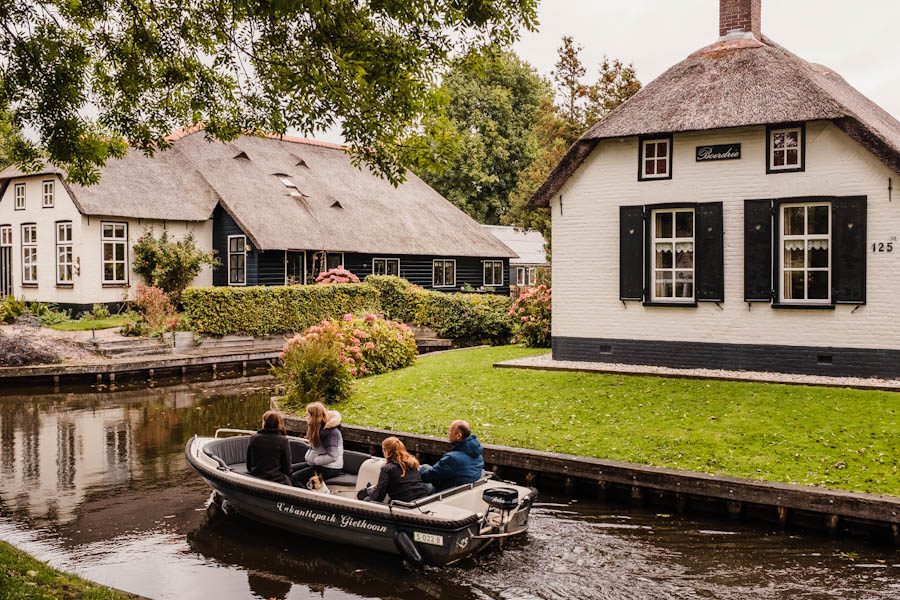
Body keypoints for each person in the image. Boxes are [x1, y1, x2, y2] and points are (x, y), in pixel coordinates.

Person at [420, 420, 484, 492]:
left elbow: (427, 477)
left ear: (458, 436)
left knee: (416, 477)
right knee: (425, 467)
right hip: (462, 488)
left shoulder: (452, 458)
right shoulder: (478, 455)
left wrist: (415, 470)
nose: (448, 434)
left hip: (444, 493)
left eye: (450, 431)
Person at [360, 437, 428, 503]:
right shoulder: (413, 464)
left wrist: (370, 490)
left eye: (383, 450)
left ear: (386, 451)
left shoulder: (387, 469)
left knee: (366, 500)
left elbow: (378, 497)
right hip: (422, 500)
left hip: (404, 505)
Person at [291, 402, 344, 487]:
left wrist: (315, 460)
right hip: (319, 464)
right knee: (288, 469)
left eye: (307, 415)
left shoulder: (330, 432)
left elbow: (333, 456)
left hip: (330, 467)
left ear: (313, 417)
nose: (306, 417)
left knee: (295, 478)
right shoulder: (318, 428)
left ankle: (305, 498)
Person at [246, 410, 292, 486]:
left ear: (264, 423)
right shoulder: (283, 440)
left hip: (256, 477)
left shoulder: (253, 438)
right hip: (276, 480)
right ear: (278, 424)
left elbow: (249, 464)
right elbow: (287, 468)